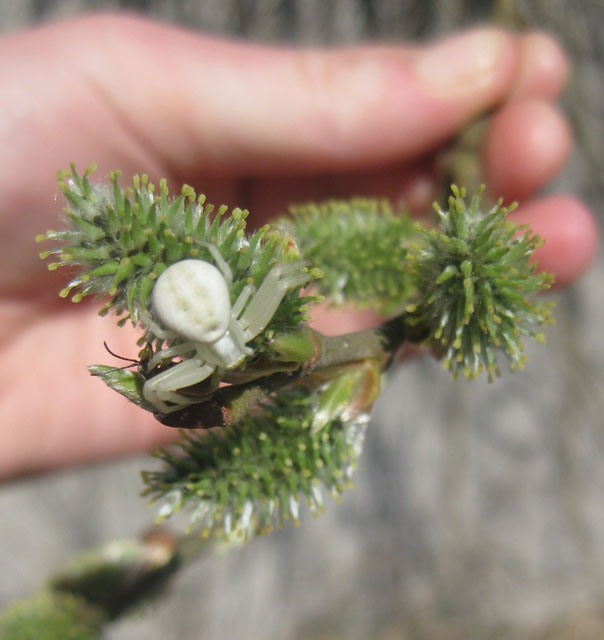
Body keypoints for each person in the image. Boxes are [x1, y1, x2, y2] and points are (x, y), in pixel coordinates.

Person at [0, 14, 597, 480]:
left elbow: (274, 281)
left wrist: (273, 270)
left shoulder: (221, 327)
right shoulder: (224, 325)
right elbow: (257, 293)